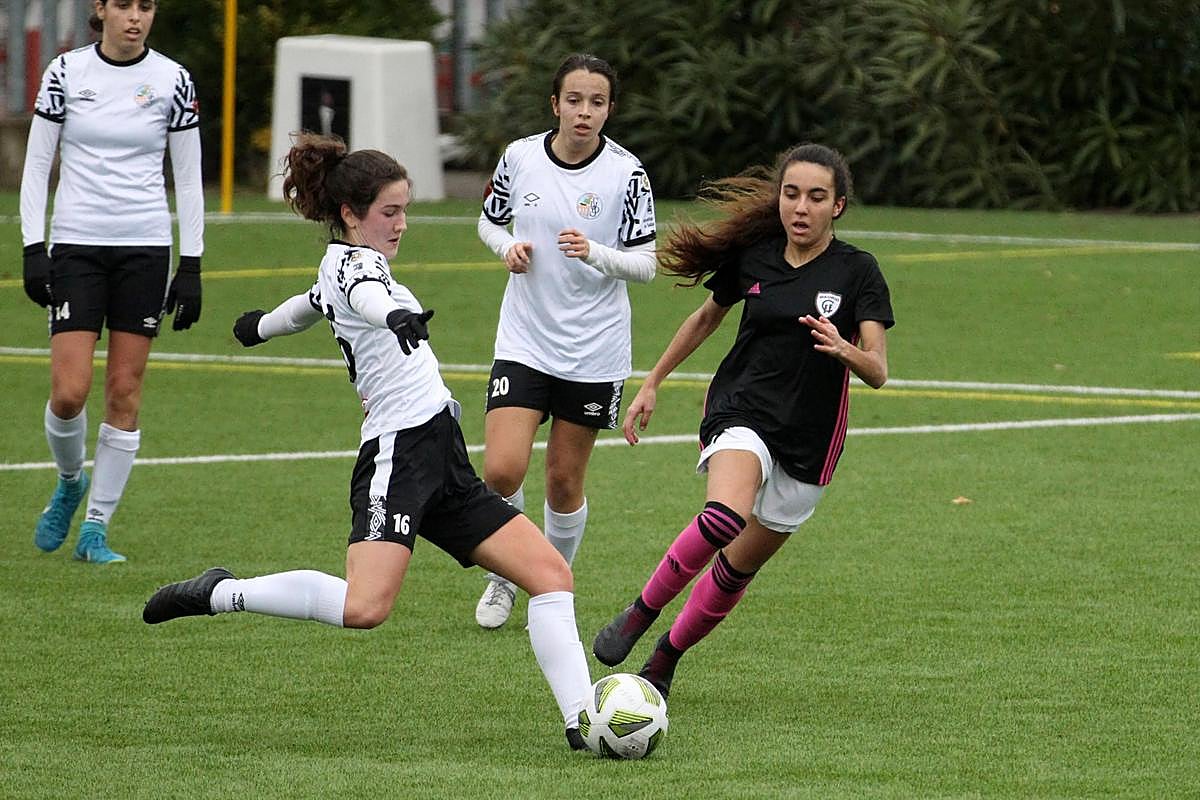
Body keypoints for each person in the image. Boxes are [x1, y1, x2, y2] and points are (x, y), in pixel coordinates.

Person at [142, 133, 594, 749]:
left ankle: (583, 722)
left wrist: (260, 327)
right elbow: (363, 296)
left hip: (444, 453)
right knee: (365, 608)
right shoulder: (355, 267)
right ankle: (222, 591)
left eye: (406, 209)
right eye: (390, 211)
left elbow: (307, 306)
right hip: (398, 455)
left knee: (550, 575)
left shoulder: (349, 266)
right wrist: (394, 317)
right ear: (352, 215)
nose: (403, 223)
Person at [591, 143, 895, 698]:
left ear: (839, 207)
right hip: (743, 409)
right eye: (791, 193)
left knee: (735, 571)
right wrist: (653, 381)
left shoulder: (858, 272)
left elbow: (877, 370)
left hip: (810, 439)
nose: (800, 208)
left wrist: (843, 349)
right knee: (724, 516)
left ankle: (665, 657)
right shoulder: (756, 256)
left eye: (816, 197)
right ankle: (640, 611)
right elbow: (706, 316)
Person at [473, 53, 658, 629]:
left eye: (597, 102)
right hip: (525, 337)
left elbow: (647, 264)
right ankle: (505, 573)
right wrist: (506, 248)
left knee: (561, 479)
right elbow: (487, 220)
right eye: (574, 100)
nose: (585, 112)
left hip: (593, 349)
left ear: (609, 109)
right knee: (501, 471)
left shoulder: (627, 175)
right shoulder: (520, 157)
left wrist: (596, 253)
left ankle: (550, 591)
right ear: (555, 104)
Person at [20, 0, 204, 564]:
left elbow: (189, 177)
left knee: (124, 390)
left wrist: (191, 263)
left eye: (146, 6)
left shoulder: (173, 80)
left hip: (144, 249)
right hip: (77, 244)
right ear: (100, 9)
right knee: (69, 392)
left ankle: (96, 526)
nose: (136, 16)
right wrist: (33, 245)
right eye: (123, 4)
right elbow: (36, 164)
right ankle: (71, 481)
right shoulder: (66, 73)